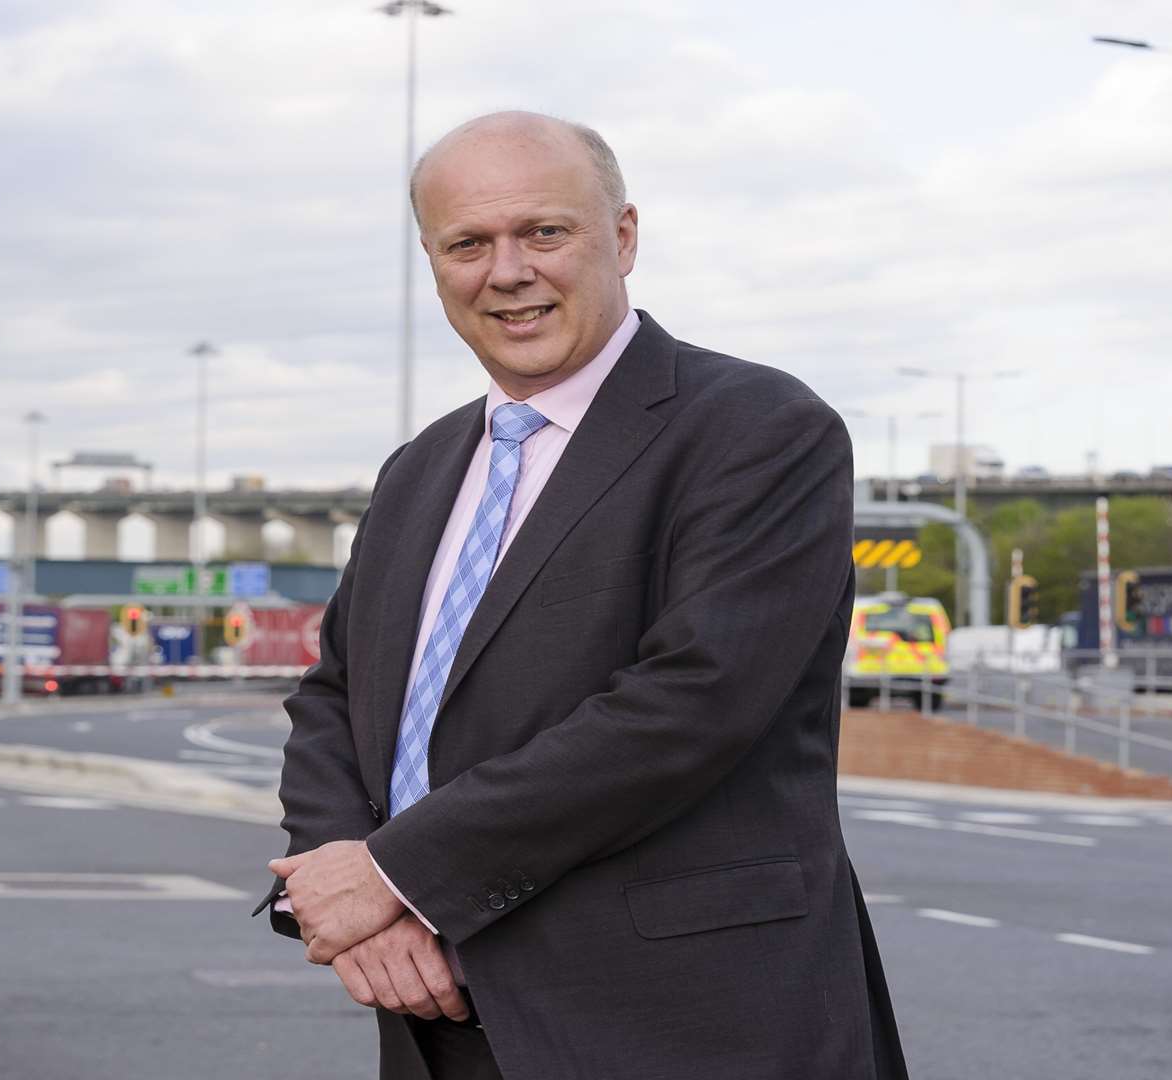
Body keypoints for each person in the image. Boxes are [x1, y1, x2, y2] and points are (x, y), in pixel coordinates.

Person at [259, 110, 908, 1080]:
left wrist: (397, 874)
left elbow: (693, 702)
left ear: (626, 237)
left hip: (682, 1025)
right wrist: (345, 891)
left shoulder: (758, 430)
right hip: (434, 1017)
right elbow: (334, 696)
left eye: (544, 233)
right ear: (434, 265)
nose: (507, 271)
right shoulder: (420, 469)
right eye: (468, 244)